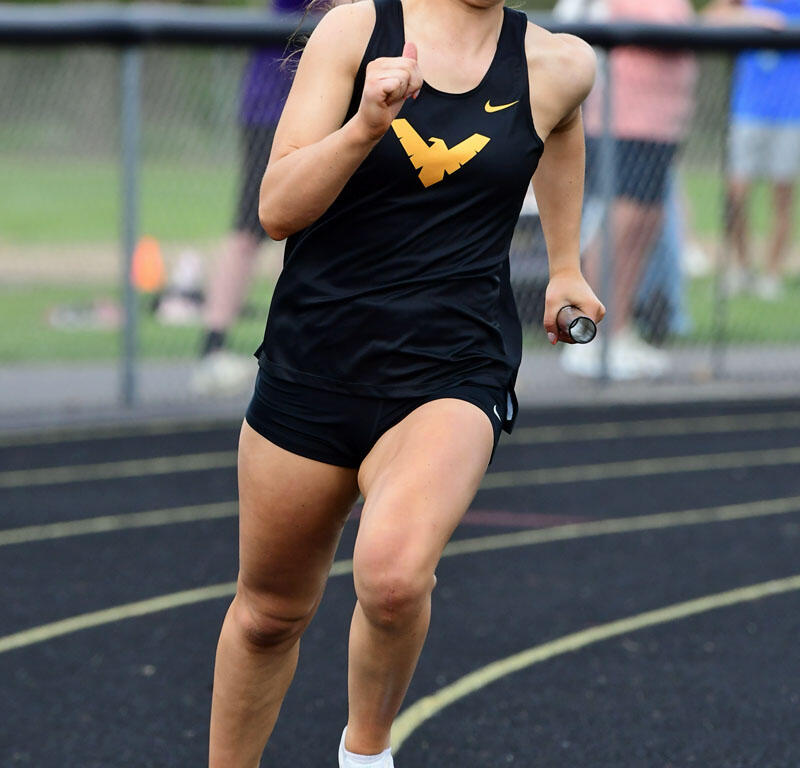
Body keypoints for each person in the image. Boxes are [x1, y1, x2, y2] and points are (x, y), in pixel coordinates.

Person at [207, 0, 604, 765]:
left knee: (391, 579)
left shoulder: (560, 63)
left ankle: (367, 754)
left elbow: (559, 130)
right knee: (267, 615)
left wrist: (563, 266)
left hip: (453, 365)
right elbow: (277, 209)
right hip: (316, 358)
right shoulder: (356, 32)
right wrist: (365, 125)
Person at [191, 0, 310, 396]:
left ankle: (307, 346)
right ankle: (213, 347)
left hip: (332, 105)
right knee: (250, 226)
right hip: (273, 109)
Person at [724, 0, 798, 301]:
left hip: (791, 113)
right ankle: (742, 267)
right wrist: (753, 16)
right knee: (736, 195)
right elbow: (714, 16)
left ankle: (772, 274)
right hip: (748, 111)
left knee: (782, 199)